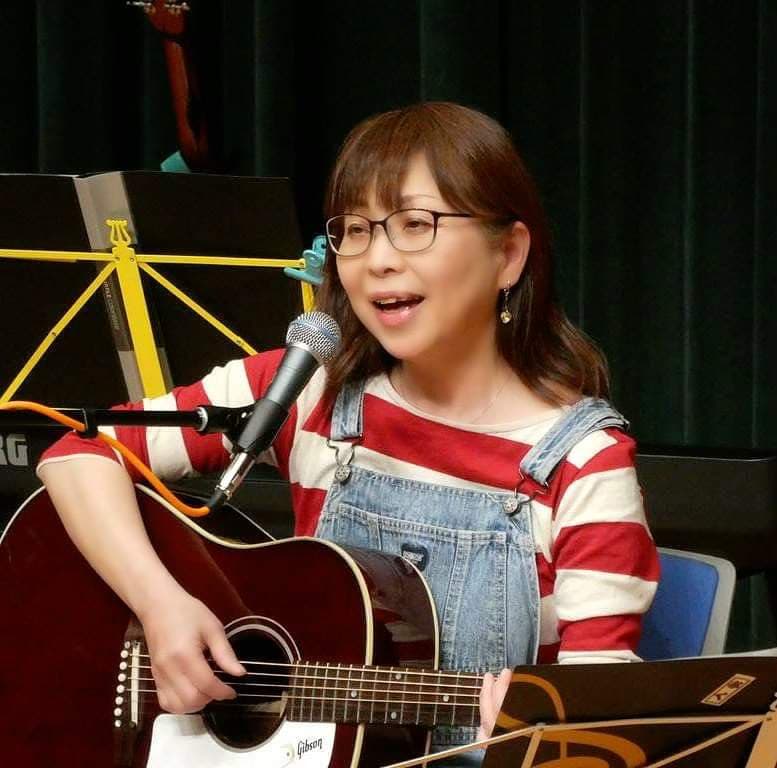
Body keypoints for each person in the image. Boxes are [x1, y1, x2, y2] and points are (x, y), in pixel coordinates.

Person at [37, 101, 659, 763]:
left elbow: (595, 733)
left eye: (415, 224)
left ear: (507, 255)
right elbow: (78, 453)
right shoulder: (304, 391)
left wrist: (523, 739)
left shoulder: (584, 461)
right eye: (354, 230)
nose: (376, 259)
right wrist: (161, 606)